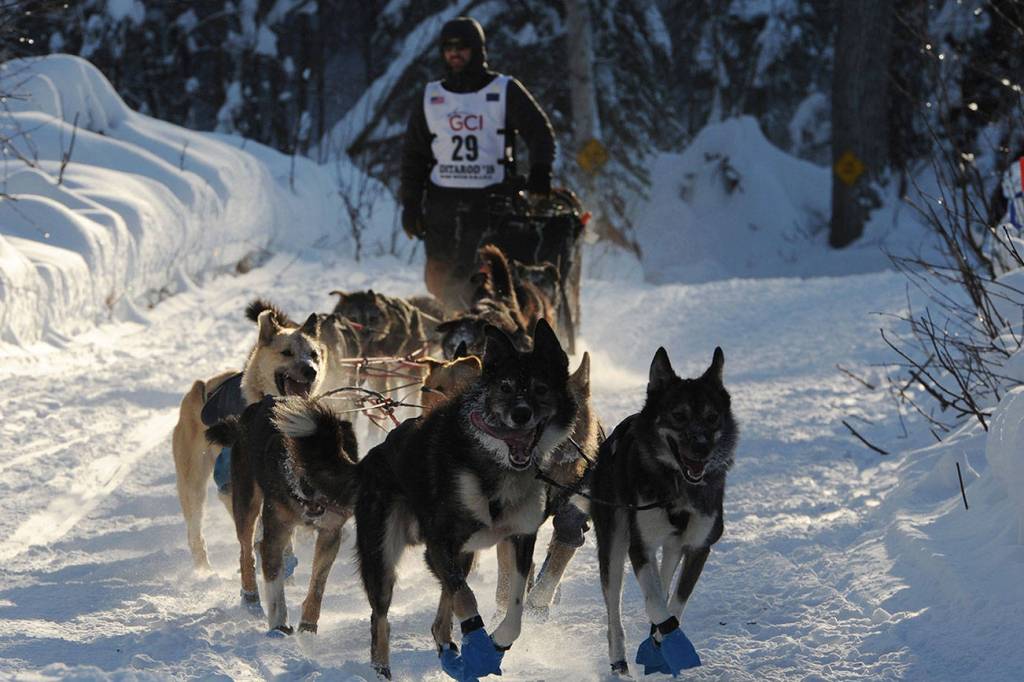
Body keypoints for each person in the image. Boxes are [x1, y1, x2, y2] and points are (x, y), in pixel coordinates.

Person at [399, 16, 556, 308]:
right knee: (440, 281)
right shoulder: (431, 96)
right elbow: (414, 156)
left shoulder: (503, 89)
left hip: (492, 201)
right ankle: (455, 336)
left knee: (487, 279)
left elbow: (540, 133)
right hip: (441, 205)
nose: (454, 53)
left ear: (478, 51)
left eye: (462, 47)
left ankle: (497, 333)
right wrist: (410, 203)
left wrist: (540, 173)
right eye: (448, 48)